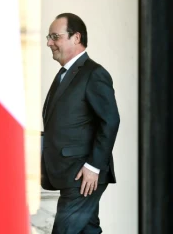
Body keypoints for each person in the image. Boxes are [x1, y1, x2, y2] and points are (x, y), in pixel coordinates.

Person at [41, 13, 120, 234]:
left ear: (76, 38)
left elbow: (110, 120)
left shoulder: (94, 74)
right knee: (88, 231)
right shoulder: (64, 74)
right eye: (49, 37)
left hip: (83, 176)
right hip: (70, 174)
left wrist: (93, 167)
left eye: (54, 36)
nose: (49, 43)